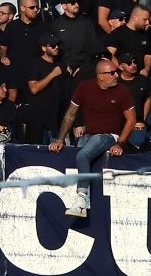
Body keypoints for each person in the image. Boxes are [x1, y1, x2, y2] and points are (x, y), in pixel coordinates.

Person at [48, 57, 137, 218]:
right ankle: (77, 198)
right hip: (88, 135)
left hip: (108, 135)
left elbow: (131, 120)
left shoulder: (122, 91)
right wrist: (60, 139)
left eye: (116, 72)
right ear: (101, 76)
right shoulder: (84, 87)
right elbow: (70, 115)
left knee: (83, 155)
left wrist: (120, 143)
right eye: (112, 73)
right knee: (77, 154)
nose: (116, 75)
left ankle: (82, 199)